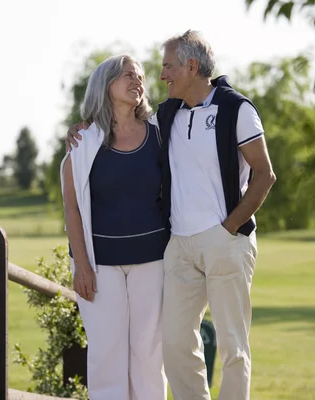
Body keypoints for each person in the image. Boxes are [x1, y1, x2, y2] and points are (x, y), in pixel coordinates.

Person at [66, 30, 276, 400]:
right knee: (169, 345)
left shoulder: (216, 113)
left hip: (203, 246)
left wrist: (228, 227)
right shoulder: (160, 118)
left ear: (190, 66)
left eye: (164, 68)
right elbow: (78, 194)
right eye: (133, 73)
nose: (157, 76)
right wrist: (81, 127)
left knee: (219, 347)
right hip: (167, 249)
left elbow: (265, 174)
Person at [60, 54, 168, 400]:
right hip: (99, 266)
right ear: (105, 85)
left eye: (140, 76)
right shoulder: (83, 142)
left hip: (154, 261)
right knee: (106, 356)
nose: (137, 81)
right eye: (127, 75)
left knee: (149, 355)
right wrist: (81, 266)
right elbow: (72, 209)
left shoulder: (160, 134)